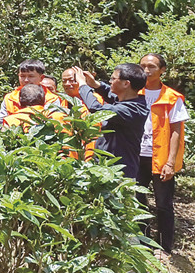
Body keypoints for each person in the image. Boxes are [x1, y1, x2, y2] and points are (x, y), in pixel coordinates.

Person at [137, 54, 187, 253]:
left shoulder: (172, 97)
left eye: (151, 66)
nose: (146, 70)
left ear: (163, 70)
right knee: (138, 200)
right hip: (137, 156)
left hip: (161, 158)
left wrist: (170, 162)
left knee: (163, 204)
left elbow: (176, 131)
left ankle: (165, 247)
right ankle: (144, 244)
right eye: (142, 66)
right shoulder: (134, 92)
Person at [75, 63, 149, 181]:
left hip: (120, 172)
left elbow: (96, 108)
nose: (110, 81)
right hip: (105, 167)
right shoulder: (130, 101)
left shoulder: (132, 110)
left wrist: (83, 85)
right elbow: (111, 95)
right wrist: (95, 85)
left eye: (113, 79)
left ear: (126, 83)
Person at [0, 60, 57, 124]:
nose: (26, 80)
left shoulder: (52, 99)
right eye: (22, 76)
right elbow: (1, 123)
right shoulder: (9, 98)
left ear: (41, 78)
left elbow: (54, 123)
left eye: (31, 76)